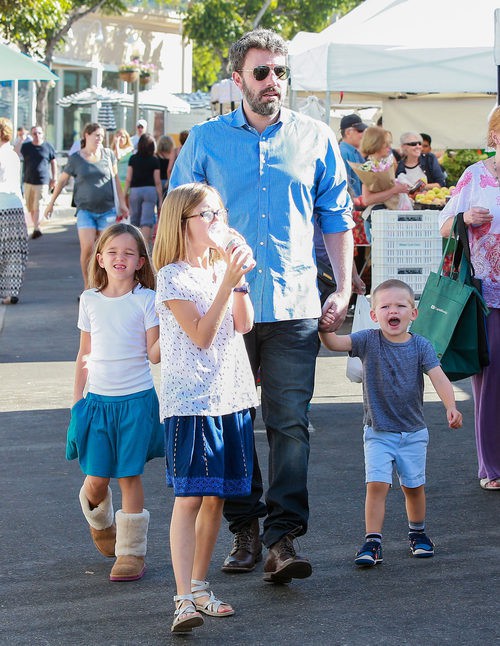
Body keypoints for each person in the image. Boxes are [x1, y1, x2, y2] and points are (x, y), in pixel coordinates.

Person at [169, 28, 354, 583]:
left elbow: (337, 218)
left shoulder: (316, 137)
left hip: (296, 302)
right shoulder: (204, 142)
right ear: (237, 79)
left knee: (291, 423)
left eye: (281, 72)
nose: (273, 82)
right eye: (262, 72)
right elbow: (178, 223)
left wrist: (342, 288)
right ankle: (244, 529)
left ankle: (283, 540)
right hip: (224, 306)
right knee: (231, 420)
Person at [153, 183, 257, 633]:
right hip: (190, 399)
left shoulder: (221, 268)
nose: (216, 222)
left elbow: (243, 324)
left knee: (217, 495)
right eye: (206, 215)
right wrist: (225, 285)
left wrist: (239, 282)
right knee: (190, 495)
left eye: (219, 212)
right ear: (183, 224)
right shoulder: (171, 275)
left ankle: (199, 587)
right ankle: (182, 599)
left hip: (231, 394)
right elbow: (200, 334)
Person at [319, 279, 463, 566]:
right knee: (377, 485)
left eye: (400, 305)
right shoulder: (367, 340)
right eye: (385, 306)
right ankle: (372, 541)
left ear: (414, 313)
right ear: (374, 315)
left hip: (413, 432)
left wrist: (452, 407)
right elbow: (336, 343)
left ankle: (418, 533)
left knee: (413, 487)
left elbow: (439, 377)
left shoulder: (421, 345)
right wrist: (325, 328)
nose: (392, 311)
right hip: (378, 431)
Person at [66, 222, 164, 582]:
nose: (119, 258)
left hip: (136, 401)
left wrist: (172, 328)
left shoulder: (148, 300)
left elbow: (154, 354)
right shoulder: (89, 300)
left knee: (129, 475)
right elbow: (83, 354)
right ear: (100, 258)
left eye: (128, 252)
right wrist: (77, 403)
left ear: (140, 261)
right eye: (112, 252)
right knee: (95, 480)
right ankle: (100, 520)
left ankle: (131, 552)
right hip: (96, 402)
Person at [439, 107, 500, 491]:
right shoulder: (474, 176)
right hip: (485, 293)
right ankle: (492, 466)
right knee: (490, 382)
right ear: (495, 137)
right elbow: (444, 226)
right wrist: (465, 219)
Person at [44, 123, 128, 290]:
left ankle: (106, 285)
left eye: (102, 137)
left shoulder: (108, 154)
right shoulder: (76, 158)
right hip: (85, 210)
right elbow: (62, 181)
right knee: (88, 248)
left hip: (107, 209)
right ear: (87, 135)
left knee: (107, 249)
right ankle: (88, 286)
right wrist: (51, 203)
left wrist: (123, 203)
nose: (99, 139)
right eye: (96, 135)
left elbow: (116, 180)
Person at [358, 126, 411, 243]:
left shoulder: (384, 164)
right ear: (375, 144)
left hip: (385, 219)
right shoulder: (368, 167)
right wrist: (394, 190)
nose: (389, 148)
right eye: (386, 144)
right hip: (377, 221)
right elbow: (367, 200)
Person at [0, 117, 28, 305]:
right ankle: (12, 291)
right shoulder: (13, 155)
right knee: (15, 252)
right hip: (15, 206)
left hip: (1, 206)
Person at [124, 133, 162, 247]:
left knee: (134, 219)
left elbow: (128, 178)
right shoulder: (154, 160)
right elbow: (158, 181)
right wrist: (160, 198)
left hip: (135, 190)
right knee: (147, 220)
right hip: (150, 190)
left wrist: (124, 193)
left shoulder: (133, 159)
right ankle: (144, 247)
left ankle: (133, 244)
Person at [20, 125, 57, 239]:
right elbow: (16, 154)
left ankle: (37, 227)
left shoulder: (48, 147)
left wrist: (54, 178)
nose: (37, 136)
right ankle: (36, 225)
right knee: (30, 206)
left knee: (39, 204)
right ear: (31, 135)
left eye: (39, 133)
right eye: (34, 133)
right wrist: (20, 140)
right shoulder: (26, 147)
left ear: (43, 134)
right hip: (28, 180)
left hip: (42, 181)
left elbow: (53, 162)